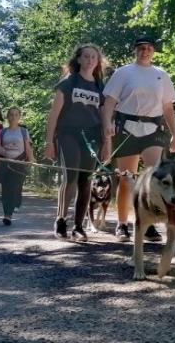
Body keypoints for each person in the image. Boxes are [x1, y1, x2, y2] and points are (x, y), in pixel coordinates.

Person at [101, 36, 175, 242]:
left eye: (148, 48)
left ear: (153, 51)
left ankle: (148, 224)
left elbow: (168, 107)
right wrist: (107, 123)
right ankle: (121, 225)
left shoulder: (161, 75)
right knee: (127, 179)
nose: (144, 51)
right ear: (135, 50)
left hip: (153, 129)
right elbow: (109, 101)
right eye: (141, 48)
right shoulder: (123, 72)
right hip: (127, 128)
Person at [44, 44, 109, 242]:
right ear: (79, 59)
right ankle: (61, 219)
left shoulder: (100, 86)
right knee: (70, 175)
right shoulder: (68, 82)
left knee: (86, 180)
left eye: (93, 58)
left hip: (92, 138)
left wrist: (107, 143)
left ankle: (79, 226)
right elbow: (53, 116)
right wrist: (49, 142)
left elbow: (105, 117)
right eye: (86, 56)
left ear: (97, 62)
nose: (90, 60)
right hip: (68, 134)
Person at [0, 107, 35, 225]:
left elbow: (27, 147)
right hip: (5, 163)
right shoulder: (2, 132)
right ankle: (6, 214)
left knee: (14, 187)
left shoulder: (23, 131)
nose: (13, 117)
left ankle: (9, 213)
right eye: (11, 115)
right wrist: (4, 151)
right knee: (5, 188)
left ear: (19, 117)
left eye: (16, 115)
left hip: (19, 163)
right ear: (7, 117)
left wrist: (31, 159)